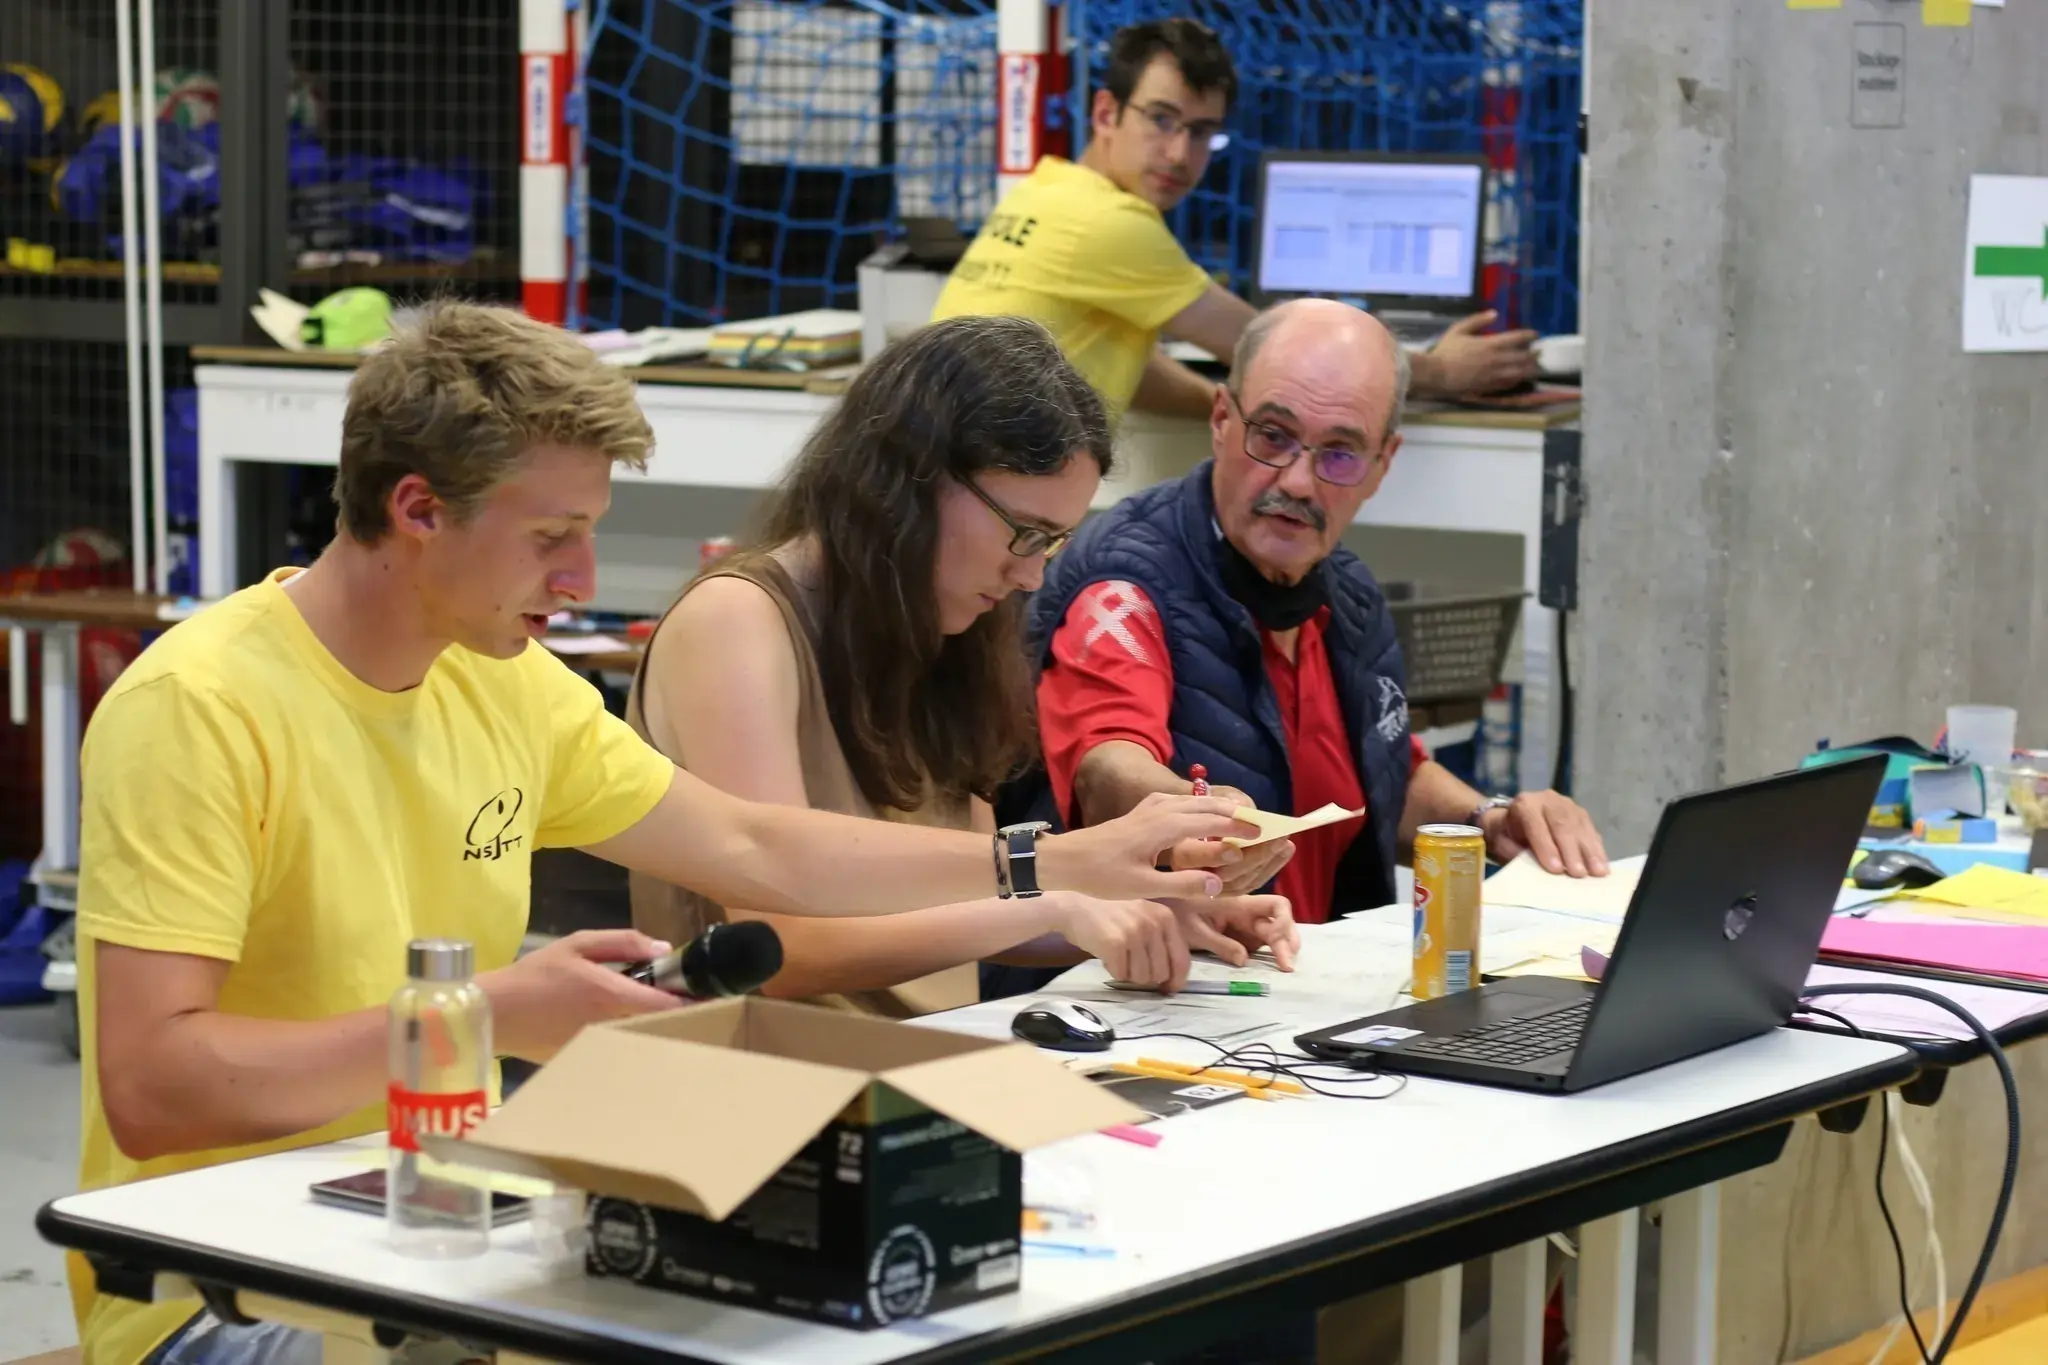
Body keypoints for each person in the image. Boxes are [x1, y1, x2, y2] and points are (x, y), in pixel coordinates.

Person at [68, 302, 1255, 1365]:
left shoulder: (503, 683)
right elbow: (155, 1090)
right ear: (417, 510)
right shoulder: (201, 709)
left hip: (444, 1228)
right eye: (550, 539)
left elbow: (757, 848)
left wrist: (1037, 865)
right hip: (220, 1290)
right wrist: (489, 1016)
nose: (582, 576)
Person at [626, 315, 1297, 1017]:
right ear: (909, 479)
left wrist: (1152, 910)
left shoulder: (933, 623)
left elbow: (974, 901)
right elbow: (783, 948)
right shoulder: (736, 621)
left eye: (1054, 540)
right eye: (1024, 532)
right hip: (756, 1087)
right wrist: (1070, 902)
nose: (1033, 573)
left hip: (914, 1070)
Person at [1029, 297, 1607, 932]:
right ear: (1222, 419)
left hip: (1304, 988)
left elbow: (1382, 773)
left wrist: (1492, 819)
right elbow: (1107, 765)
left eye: (1340, 453)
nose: (1300, 482)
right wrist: (1194, 818)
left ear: (1381, 466)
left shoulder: (1348, 595)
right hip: (1139, 1000)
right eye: (1273, 436)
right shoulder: (1125, 587)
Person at [929, 17, 1537, 422]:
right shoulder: (1108, 224)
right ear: (1107, 112)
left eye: (1200, 132)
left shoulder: (1047, 189)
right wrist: (1440, 372)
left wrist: (1229, 407)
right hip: (963, 507)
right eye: (1161, 120)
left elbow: (1123, 370)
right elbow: (1283, 350)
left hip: (933, 484)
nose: (1178, 154)